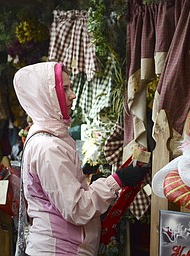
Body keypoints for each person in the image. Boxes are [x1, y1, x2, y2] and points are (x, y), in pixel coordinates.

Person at [13, 62, 147, 256]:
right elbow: (77, 208)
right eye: (65, 88)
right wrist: (117, 180)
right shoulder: (49, 147)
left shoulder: (49, 138)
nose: (73, 95)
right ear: (46, 96)